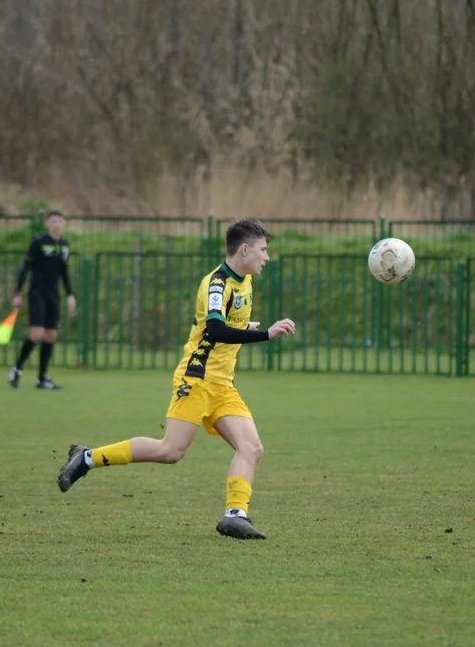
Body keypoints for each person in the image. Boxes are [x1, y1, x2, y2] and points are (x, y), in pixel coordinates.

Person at [56, 219, 296, 540]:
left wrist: (249, 328)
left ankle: (235, 515)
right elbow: (213, 328)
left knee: (251, 448)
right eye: (263, 250)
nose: (267, 257)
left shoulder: (246, 282)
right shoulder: (217, 283)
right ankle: (87, 458)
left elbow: (226, 325)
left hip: (223, 385)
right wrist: (266, 334)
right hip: (196, 378)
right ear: (244, 249)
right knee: (170, 451)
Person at [8, 210, 76, 390]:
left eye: (60, 221)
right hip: (37, 293)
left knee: (51, 335)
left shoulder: (65, 246)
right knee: (36, 335)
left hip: (53, 294)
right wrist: (18, 293)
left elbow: (64, 272)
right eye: (53, 221)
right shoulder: (39, 243)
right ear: (47, 223)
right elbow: (25, 268)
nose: (56, 224)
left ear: (64, 224)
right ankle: (17, 368)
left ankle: (42, 378)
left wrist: (70, 294)